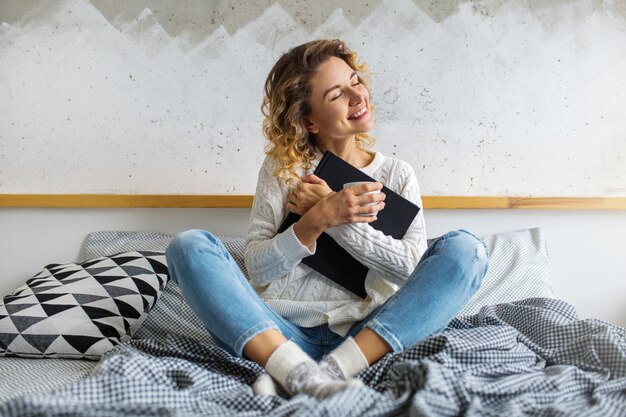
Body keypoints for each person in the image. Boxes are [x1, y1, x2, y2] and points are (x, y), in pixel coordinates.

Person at [165, 39, 489, 399]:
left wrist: (340, 219)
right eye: (336, 94)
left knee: (468, 250)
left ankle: (326, 372)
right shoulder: (282, 171)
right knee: (188, 245)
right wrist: (314, 221)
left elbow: (412, 269)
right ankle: (292, 366)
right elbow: (257, 269)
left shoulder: (398, 174)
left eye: (355, 81)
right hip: (279, 331)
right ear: (309, 121)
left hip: (365, 337)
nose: (357, 95)